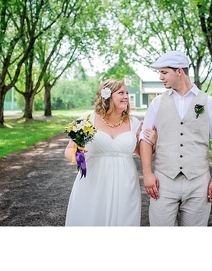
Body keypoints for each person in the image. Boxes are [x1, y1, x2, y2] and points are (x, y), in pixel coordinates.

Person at [139, 51, 212, 226]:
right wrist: (148, 174)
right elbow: (145, 139)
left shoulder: (210, 103)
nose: (160, 77)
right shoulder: (157, 103)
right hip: (163, 182)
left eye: (164, 72)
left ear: (179, 71)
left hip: (198, 182)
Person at [64, 79, 156, 226]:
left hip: (126, 182)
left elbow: (142, 153)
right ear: (107, 96)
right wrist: (77, 156)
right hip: (94, 180)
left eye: (127, 93)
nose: (126, 96)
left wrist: (153, 141)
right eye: (121, 93)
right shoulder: (87, 119)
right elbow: (69, 149)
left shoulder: (134, 123)